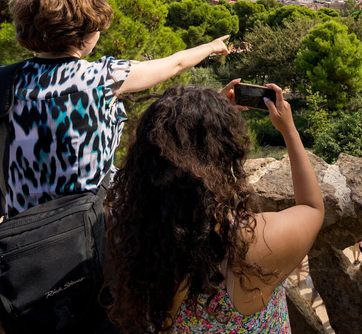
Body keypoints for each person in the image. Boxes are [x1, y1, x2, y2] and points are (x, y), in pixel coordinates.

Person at [0, 0, 232, 218]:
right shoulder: (103, 76)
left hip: (22, 221)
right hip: (88, 217)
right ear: (84, 36)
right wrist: (211, 46)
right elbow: (174, 64)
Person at [105, 84, 324, 333]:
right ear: (228, 153)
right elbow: (312, 208)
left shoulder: (140, 233)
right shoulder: (250, 245)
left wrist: (198, 117)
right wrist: (289, 130)